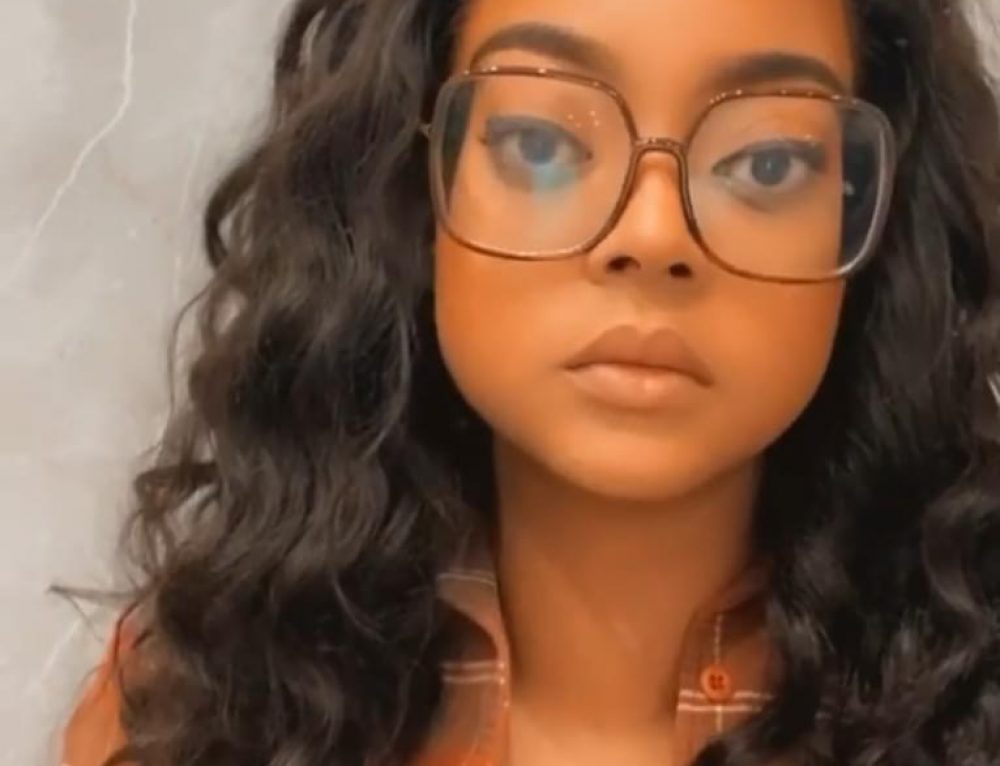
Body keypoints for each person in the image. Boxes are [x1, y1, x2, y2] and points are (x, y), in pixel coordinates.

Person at [62, 0, 1000, 764]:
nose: (653, 236)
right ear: (410, 182)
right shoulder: (200, 711)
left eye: (767, 161)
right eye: (543, 142)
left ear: (879, 220)